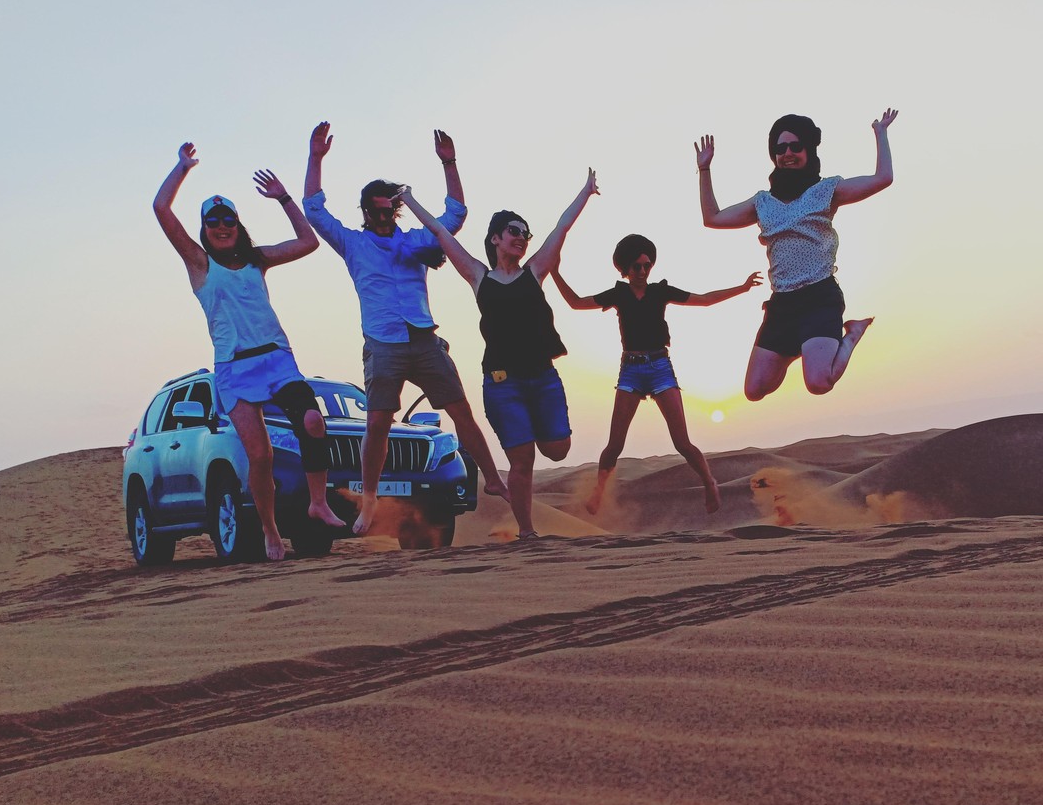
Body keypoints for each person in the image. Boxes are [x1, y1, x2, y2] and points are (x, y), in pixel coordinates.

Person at [302, 121, 508, 537]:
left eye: (387, 209)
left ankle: (494, 477)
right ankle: (371, 500)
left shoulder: (416, 242)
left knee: (460, 410)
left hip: (424, 337)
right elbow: (314, 211)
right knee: (378, 422)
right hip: (383, 343)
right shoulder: (352, 243)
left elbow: (456, 215)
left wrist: (449, 163)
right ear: (365, 210)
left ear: (395, 210)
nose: (381, 216)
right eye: (374, 210)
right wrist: (316, 158)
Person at [153, 142, 344, 563]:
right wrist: (182, 168)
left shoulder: (258, 260)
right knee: (260, 456)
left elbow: (308, 242)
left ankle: (317, 502)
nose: (222, 226)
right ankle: (271, 531)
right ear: (204, 229)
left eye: (229, 220)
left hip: (277, 358)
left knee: (313, 422)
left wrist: (285, 199)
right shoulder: (200, 265)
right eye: (213, 221)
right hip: (235, 370)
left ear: (239, 226)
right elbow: (162, 210)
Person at [401, 170, 600, 539]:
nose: (522, 238)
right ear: (495, 238)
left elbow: (562, 227)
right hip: (502, 383)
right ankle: (527, 533)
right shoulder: (479, 277)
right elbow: (442, 234)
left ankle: (533, 434)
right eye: (514, 231)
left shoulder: (535, 271)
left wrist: (585, 192)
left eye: (526, 234)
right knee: (522, 461)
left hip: (543, 377)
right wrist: (409, 199)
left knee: (557, 449)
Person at [695, 108, 898, 401]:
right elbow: (712, 217)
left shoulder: (827, 190)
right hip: (782, 305)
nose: (787, 153)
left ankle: (851, 335)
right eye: (779, 148)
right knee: (754, 391)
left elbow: (883, 178)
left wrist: (881, 134)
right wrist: (704, 170)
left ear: (808, 149)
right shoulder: (762, 202)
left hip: (819, 298)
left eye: (795, 146)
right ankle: (800, 348)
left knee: (819, 383)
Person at [551, 234, 762, 515]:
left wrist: (743, 287)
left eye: (647, 265)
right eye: (636, 266)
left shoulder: (661, 292)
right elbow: (576, 302)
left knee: (682, 442)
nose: (642, 271)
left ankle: (709, 483)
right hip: (630, 370)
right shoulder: (619, 295)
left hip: (661, 367)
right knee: (614, 445)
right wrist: (554, 271)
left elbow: (705, 300)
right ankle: (599, 492)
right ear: (625, 268)